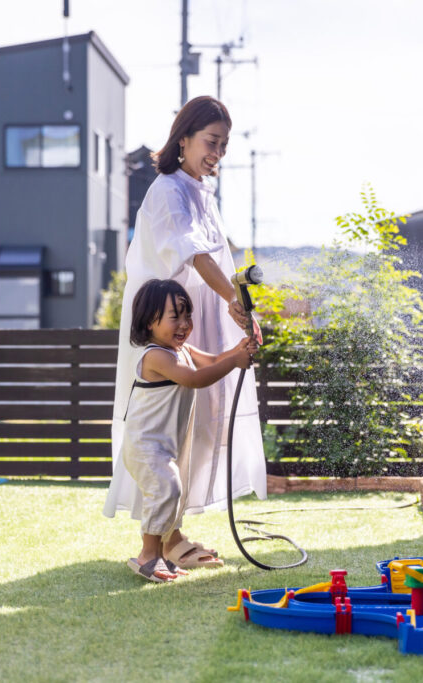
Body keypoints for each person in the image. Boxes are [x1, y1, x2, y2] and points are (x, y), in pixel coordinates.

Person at [104, 96, 267, 564]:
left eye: (224, 145)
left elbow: (216, 258)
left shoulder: (198, 191)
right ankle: (166, 541)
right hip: (167, 328)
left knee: (193, 427)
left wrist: (240, 309)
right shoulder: (170, 189)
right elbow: (193, 254)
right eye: (211, 142)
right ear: (184, 139)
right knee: (168, 430)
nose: (217, 152)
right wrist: (234, 301)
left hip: (194, 320)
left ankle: (173, 534)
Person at [119, 279, 254, 582]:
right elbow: (194, 379)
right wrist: (234, 361)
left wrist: (237, 350)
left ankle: (162, 555)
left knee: (171, 495)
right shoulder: (155, 356)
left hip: (163, 445)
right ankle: (148, 555)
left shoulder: (182, 350)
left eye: (187, 315)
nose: (184, 324)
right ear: (149, 322)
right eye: (174, 316)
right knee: (168, 489)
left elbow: (215, 361)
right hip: (144, 444)